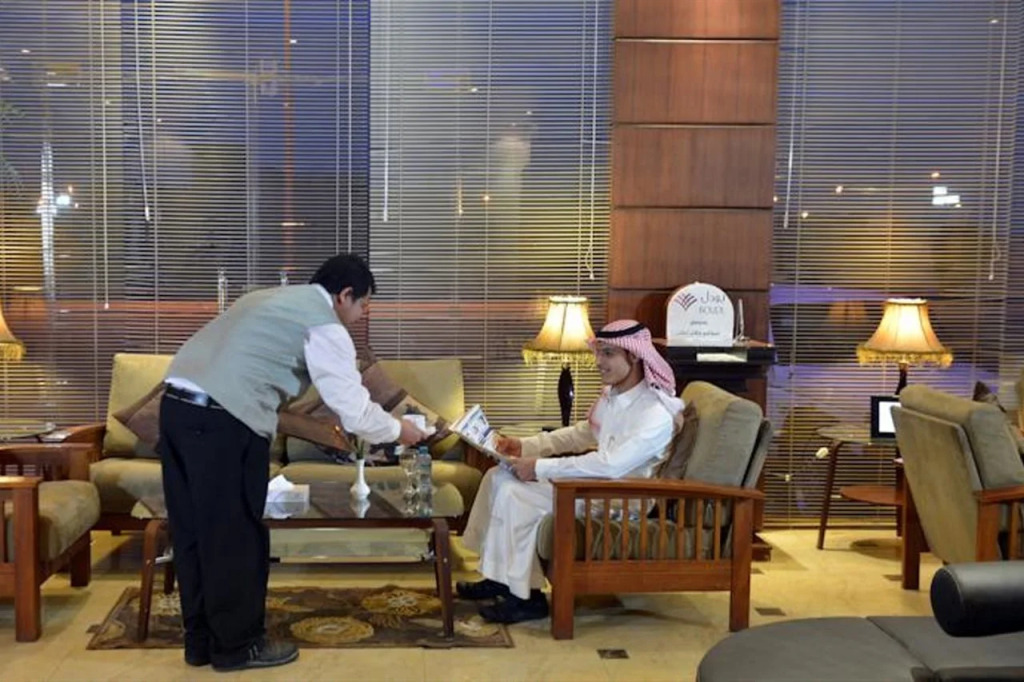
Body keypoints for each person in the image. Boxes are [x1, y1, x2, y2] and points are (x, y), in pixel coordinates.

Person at [157, 253, 428, 671]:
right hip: (223, 420)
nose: (361, 315)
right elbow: (353, 409)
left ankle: (201, 642)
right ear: (344, 295)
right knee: (236, 535)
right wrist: (399, 430)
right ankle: (238, 647)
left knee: (194, 531)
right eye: (363, 305)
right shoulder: (325, 325)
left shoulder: (265, 299)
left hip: (175, 409)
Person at [458, 319, 684, 623]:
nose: (598, 362)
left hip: (620, 498)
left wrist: (539, 468)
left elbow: (610, 465)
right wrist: (524, 446)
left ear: (634, 356)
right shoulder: (614, 396)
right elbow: (581, 434)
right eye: (598, 352)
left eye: (608, 354)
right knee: (497, 477)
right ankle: (500, 578)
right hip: (593, 486)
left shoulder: (654, 413)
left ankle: (526, 599)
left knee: (515, 494)